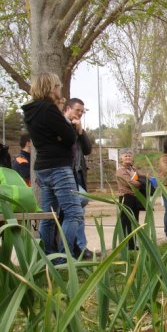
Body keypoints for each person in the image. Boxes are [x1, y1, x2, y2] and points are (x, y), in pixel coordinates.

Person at [22, 72, 83, 263]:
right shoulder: (49, 109)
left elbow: (56, 137)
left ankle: (48, 257)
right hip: (58, 167)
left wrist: (60, 137)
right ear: (50, 88)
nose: (60, 89)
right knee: (73, 212)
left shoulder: (31, 111)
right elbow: (71, 137)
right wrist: (65, 134)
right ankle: (65, 259)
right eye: (58, 86)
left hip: (42, 167)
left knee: (48, 215)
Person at [64, 98, 95, 259]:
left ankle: (81, 248)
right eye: (78, 110)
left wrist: (81, 132)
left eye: (83, 112)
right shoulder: (62, 126)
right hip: (65, 174)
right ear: (68, 108)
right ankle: (74, 248)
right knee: (80, 202)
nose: (80, 114)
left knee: (79, 212)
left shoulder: (77, 129)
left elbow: (88, 149)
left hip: (78, 174)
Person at [116, 148, 142, 250]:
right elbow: (129, 183)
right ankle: (127, 245)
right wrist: (141, 183)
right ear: (121, 158)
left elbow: (142, 178)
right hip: (126, 197)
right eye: (125, 156)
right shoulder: (120, 171)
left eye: (129, 156)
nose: (128, 157)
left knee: (134, 221)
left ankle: (133, 244)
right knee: (126, 222)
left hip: (135, 197)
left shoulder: (133, 169)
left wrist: (141, 182)